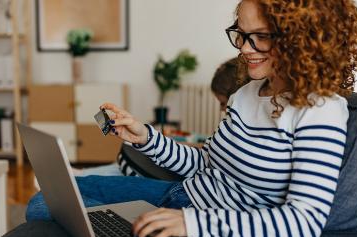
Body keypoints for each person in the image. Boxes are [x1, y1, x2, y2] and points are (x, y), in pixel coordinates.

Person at [27, 0, 357, 237]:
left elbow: (304, 223)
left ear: (301, 38)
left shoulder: (320, 110)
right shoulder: (247, 94)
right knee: (46, 200)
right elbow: (206, 163)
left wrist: (191, 223)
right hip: (180, 194)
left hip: (204, 220)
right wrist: (145, 137)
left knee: (51, 211)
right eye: (241, 33)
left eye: (260, 36)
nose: (244, 47)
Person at [72, 57, 250, 178]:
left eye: (222, 103)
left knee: (125, 169)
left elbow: (210, 159)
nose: (221, 109)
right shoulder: (229, 128)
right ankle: (82, 174)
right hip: (191, 164)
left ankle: (82, 175)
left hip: (186, 181)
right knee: (128, 156)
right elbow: (208, 155)